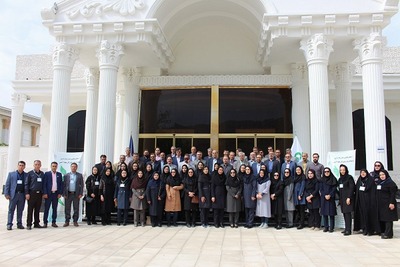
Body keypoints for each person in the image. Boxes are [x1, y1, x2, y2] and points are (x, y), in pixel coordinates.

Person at [354, 169, 380, 235]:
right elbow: (356, 190)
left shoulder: (370, 180)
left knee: (369, 216)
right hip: (361, 202)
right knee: (362, 216)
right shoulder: (359, 180)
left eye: (364, 172)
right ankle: (364, 228)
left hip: (369, 202)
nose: (362, 174)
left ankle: (370, 230)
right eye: (361, 172)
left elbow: (373, 191)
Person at [5, 161, 28, 230]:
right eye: (20, 165)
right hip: (13, 195)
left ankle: (19, 223)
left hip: (22, 195)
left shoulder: (26, 175)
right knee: (11, 210)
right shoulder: (11, 174)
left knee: (20, 210)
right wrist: (6, 193)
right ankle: (9, 224)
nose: (21, 167)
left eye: (22, 165)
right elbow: (7, 184)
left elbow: (27, 185)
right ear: (17, 166)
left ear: (24, 167)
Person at [376, 170, 398, 239]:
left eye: (383, 175)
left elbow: (393, 194)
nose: (382, 176)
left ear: (386, 175)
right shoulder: (380, 183)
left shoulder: (390, 183)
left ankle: (388, 234)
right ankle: (386, 232)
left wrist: (391, 203)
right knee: (384, 218)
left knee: (388, 219)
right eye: (380, 175)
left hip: (388, 203)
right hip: (382, 204)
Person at [25, 160, 45, 229]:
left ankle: (36, 223)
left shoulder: (42, 174)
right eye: (36, 164)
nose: (37, 166)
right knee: (30, 209)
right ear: (33, 165)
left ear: (40, 165)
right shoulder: (30, 173)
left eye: (38, 164)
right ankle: (29, 224)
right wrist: (27, 193)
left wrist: (43, 192)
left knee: (37, 209)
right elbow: (26, 184)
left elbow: (43, 184)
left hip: (39, 194)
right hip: (32, 193)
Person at [63, 162, 84, 227]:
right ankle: (67, 221)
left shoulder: (79, 175)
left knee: (76, 208)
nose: (73, 168)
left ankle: (75, 221)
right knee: (67, 208)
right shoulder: (66, 175)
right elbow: (64, 185)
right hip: (68, 194)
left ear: (77, 167)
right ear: (70, 167)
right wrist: (64, 194)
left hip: (76, 194)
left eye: (75, 166)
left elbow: (82, 185)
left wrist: (81, 193)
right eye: (72, 166)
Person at [43, 162, 63, 228]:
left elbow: (60, 185)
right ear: (51, 166)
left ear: (57, 167)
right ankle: (45, 222)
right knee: (46, 209)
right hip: (48, 194)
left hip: (55, 194)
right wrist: (45, 193)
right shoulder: (47, 174)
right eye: (53, 166)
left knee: (54, 209)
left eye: (55, 166)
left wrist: (60, 193)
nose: (54, 167)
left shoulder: (59, 174)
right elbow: (44, 184)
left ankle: (54, 222)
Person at [338, 164, 355, 236]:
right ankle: (346, 228)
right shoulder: (340, 179)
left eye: (343, 170)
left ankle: (349, 230)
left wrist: (349, 197)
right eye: (341, 170)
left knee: (348, 214)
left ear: (346, 170)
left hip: (348, 198)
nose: (342, 171)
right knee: (344, 213)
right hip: (342, 198)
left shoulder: (349, 177)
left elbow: (352, 188)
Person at [319, 167, 337, 233]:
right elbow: (321, 189)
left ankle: (331, 227)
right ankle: (326, 227)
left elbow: (334, 188)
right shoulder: (321, 179)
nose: (326, 173)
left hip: (331, 198)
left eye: (328, 171)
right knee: (324, 213)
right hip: (324, 198)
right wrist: (325, 195)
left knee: (331, 213)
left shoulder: (333, 179)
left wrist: (330, 195)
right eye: (325, 172)